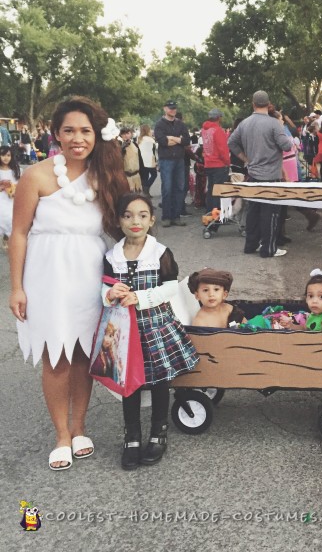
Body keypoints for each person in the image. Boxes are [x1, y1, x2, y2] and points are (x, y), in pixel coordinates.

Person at [9, 96, 129, 470]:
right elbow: (18, 234)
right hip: (46, 277)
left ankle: (79, 428)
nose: (78, 138)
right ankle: (61, 434)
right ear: (56, 134)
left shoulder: (106, 176)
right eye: (69, 130)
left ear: (96, 135)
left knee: (83, 356)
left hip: (89, 276)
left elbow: (127, 226)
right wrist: (16, 287)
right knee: (56, 356)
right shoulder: (36, 176)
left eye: (85, 131)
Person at [102, 193, 199, 470]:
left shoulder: (160, 252)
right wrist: (110, 293)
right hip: (124, 329)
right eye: (128, 215)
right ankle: (131, 435)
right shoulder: (112, 256)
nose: (136, 221)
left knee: (158, 381)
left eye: (142, 215)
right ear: (119, 220)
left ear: (151, 219)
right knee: (128, 382)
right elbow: (103, 287)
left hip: (156, 326)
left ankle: (159, 432)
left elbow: (170, 287)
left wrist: (141, 298)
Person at [227, 90, 293, 258]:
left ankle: (250, 245)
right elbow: (286, 146)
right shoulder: (273, 124)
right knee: (270, 213)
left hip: (253, 174)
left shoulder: (244, 123)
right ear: (268, 103)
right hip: (271, 176)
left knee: (253, 211)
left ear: (253, 103)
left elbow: (231, 143)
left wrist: (245, 158)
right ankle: (268, 249)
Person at [154, 100, 190, 227]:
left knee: (179, 188)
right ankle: (166, 216)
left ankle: (176, 216)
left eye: (174, 108)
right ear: (165, 109)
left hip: (179, 160)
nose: (173, 110)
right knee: (167, 188)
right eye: (170, 108)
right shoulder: (159, 124)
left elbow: (187, 140)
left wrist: (172, 138)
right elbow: (164, 142)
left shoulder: (180, 124)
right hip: (166, 160)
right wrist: (179, 139)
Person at [201, 108, 231, 212]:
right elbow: (223, 149)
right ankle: (216, 216)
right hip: (219, 165)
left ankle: (209, 213)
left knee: (210, 190)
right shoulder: (218, 131)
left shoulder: (204, 130)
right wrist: (228, 162)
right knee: (218, 192)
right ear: (218, 118)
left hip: (208, 163)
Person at [0, 145, 20, 249]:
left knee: (11, 219)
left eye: (8, 155)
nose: (6, 158)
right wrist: (2, 186)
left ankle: (8, 238)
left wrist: (14, 189)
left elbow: (19, 183)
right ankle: (5, 236)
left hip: (12, 199)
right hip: (1, 200)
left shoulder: (15, 170)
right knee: (3, 218)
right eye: (3, 155)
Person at [119, 127, 144, 193]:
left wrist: (143, 174)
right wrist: (122, 148)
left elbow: (140, 159)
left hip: (136, 176)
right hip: (125, 177)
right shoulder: (118, 145)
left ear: (131, 134)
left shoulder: (135, 145)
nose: (126, 135)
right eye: (123, 134)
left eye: (127, 133)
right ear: (121, 135)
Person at [137, 124, 158, 197]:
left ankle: (146, 193)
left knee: (144, 177)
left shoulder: (139, 139)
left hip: (141, 161)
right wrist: (155, 161)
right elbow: (153, 151)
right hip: (150, 160)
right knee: (154, 175)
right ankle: (146, 189)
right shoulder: (150, 139)